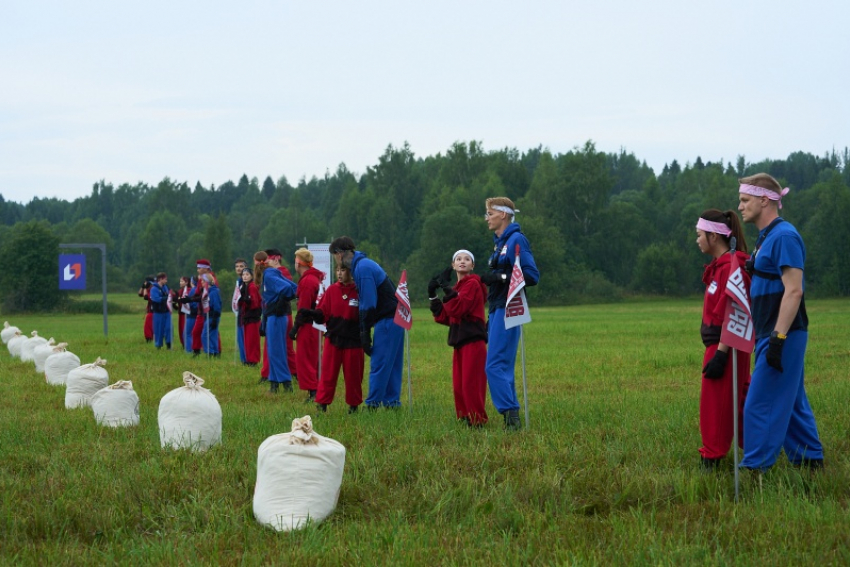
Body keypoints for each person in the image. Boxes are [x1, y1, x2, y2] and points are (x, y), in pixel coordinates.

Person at [737, 173, 824, 471]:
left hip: (782, 333)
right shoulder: (768, 237)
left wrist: (778, 338)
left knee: (759, 403)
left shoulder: (784, 236)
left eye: (745, 200)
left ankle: (754, 469)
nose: (740, 206)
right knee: (793, 402)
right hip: (770, 332)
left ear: (765, 200)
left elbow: (795, 289)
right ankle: (810, 462)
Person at [695, 209, 751, 470]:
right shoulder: (721, 267)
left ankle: (712, 457)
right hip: (719, 346)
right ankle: (757, 450)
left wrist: (721, 354)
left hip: (725, 348)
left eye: (699, 235)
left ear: (713, 236)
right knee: (738, 403)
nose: (697, 239)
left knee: (715, 405)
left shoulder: (732, 267)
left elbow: (734, 311)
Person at [481, 197, 539, 430]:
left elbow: (532, 275)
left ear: (503, 215)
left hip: (509, 307)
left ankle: (510, 416)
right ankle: (511, 417)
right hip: (496, 308)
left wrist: (499, 277)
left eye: (490, 213)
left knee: (493, 365)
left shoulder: (516, 239)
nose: (487, 218)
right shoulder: (500, 243)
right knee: (501, 365)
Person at [330, 236, 404, 409]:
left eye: (335, 256)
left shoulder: (362, 268)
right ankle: (391, 402)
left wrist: (364, 333)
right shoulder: (365, 264)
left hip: (387, 319)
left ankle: (372, 404)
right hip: (396, 318)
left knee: (379, 362)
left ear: (339, 254)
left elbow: (368, 303)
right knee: (392, 364)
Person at [429, 250, 489, 427]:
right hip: (459, 341)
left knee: (472, 384)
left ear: (472, 266)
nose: (463, 261)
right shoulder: (456, 289)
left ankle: (478, 420)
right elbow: (445, 317)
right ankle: (464, 418)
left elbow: (460, 307)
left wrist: (446, 289)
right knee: (459, 385)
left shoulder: (473, 284)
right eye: (458, 259)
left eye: (467, 259)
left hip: (473, 340)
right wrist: (432, 295)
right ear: (453, 265)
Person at [299, 266, 364, 413]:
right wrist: (313, 314)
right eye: (338, 270)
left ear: (351, 272)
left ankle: (353, 406)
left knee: (353, 375)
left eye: (343, 270)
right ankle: (322, 404)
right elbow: (323, 312)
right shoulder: (332, 290)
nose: (340, 273)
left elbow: (367, 312)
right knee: (328, 374)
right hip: (333, 338)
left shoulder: (359, 290)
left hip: (353, 339)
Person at [290, 248, 325, 402]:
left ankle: (313, 391)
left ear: (299, 263)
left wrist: (295, 328)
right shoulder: (314, 278)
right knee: (314, 356)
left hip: (309, 326)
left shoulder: (307, 282)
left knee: (306, 358)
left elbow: (303, 309)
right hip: (316, 325)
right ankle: (316, 388)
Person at [262, 248, 298, 393]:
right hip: (274, 315)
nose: (264, 263)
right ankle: (274, 381)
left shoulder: (270, 273)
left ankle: (285, 381)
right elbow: (294, 287)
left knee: (277, 350)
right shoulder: (275, 272)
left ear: (275, 260)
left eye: (267, 260)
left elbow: (288, 288)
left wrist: (281, 301)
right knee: (273, 350)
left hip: (277, 315)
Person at [238, 267, 262, 366]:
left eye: (247, 274)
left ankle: (253, 360)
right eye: (243, 275)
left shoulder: (252, 286)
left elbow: (255, 302)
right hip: (247, 317)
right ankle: (249, 359)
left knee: (252, 340)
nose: (245, 276)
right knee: (248, 340)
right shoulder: (243, 287)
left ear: (252, 276)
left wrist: (247, 301)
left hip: (253, 317)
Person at [199, 273, 222, 357]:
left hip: (212, 316)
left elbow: (216, 306)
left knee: (205, 335)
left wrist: (215, 318)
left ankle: (210, 351)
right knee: (212, 335)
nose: (201, 282)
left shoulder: (213, 292)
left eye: (203, 281)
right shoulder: (209, 291)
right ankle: (214, 352)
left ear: (208, 282)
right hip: (210, 316)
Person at [149, 272, 173, 350]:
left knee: (169, 328)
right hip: (158, 312)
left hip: (166, 311)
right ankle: (158, 345)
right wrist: (166, 298)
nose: (166, 281)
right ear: (160, 279)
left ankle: (169, 344)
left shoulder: (165, 287)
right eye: (165, 279)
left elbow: (169, 295)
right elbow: (156, 299)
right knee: (158, 329)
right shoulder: (154, 289)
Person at [232, 258, 248, 364]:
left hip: (245, 314)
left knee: (244, 338)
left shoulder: (246, 281)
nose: (239, 269)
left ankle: (246, 360)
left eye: (241, 266)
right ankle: (243, 360)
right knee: (240, 339)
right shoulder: (238, 281)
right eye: (237, 266)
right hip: (239, 313)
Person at [138, 275, 155, 343]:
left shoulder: (153, 289)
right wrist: (143, 287)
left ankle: (149, 338)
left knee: (148, 326)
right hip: (151, 310)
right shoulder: (149, 289)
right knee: (151, 325)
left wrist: (145, 287)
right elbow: (140, 294)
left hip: (154, 310)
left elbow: (145, 297)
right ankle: (151, 337)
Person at [176, 276, 191, 349]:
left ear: (186, 282)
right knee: (180, 329)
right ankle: (182, 343)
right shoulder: (179, 291)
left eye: (182, 281)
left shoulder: (188, 290)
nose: (180, 283)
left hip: (186, 313)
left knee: (184, 328)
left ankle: (186, 343)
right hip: (180, 313)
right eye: (180, 281)